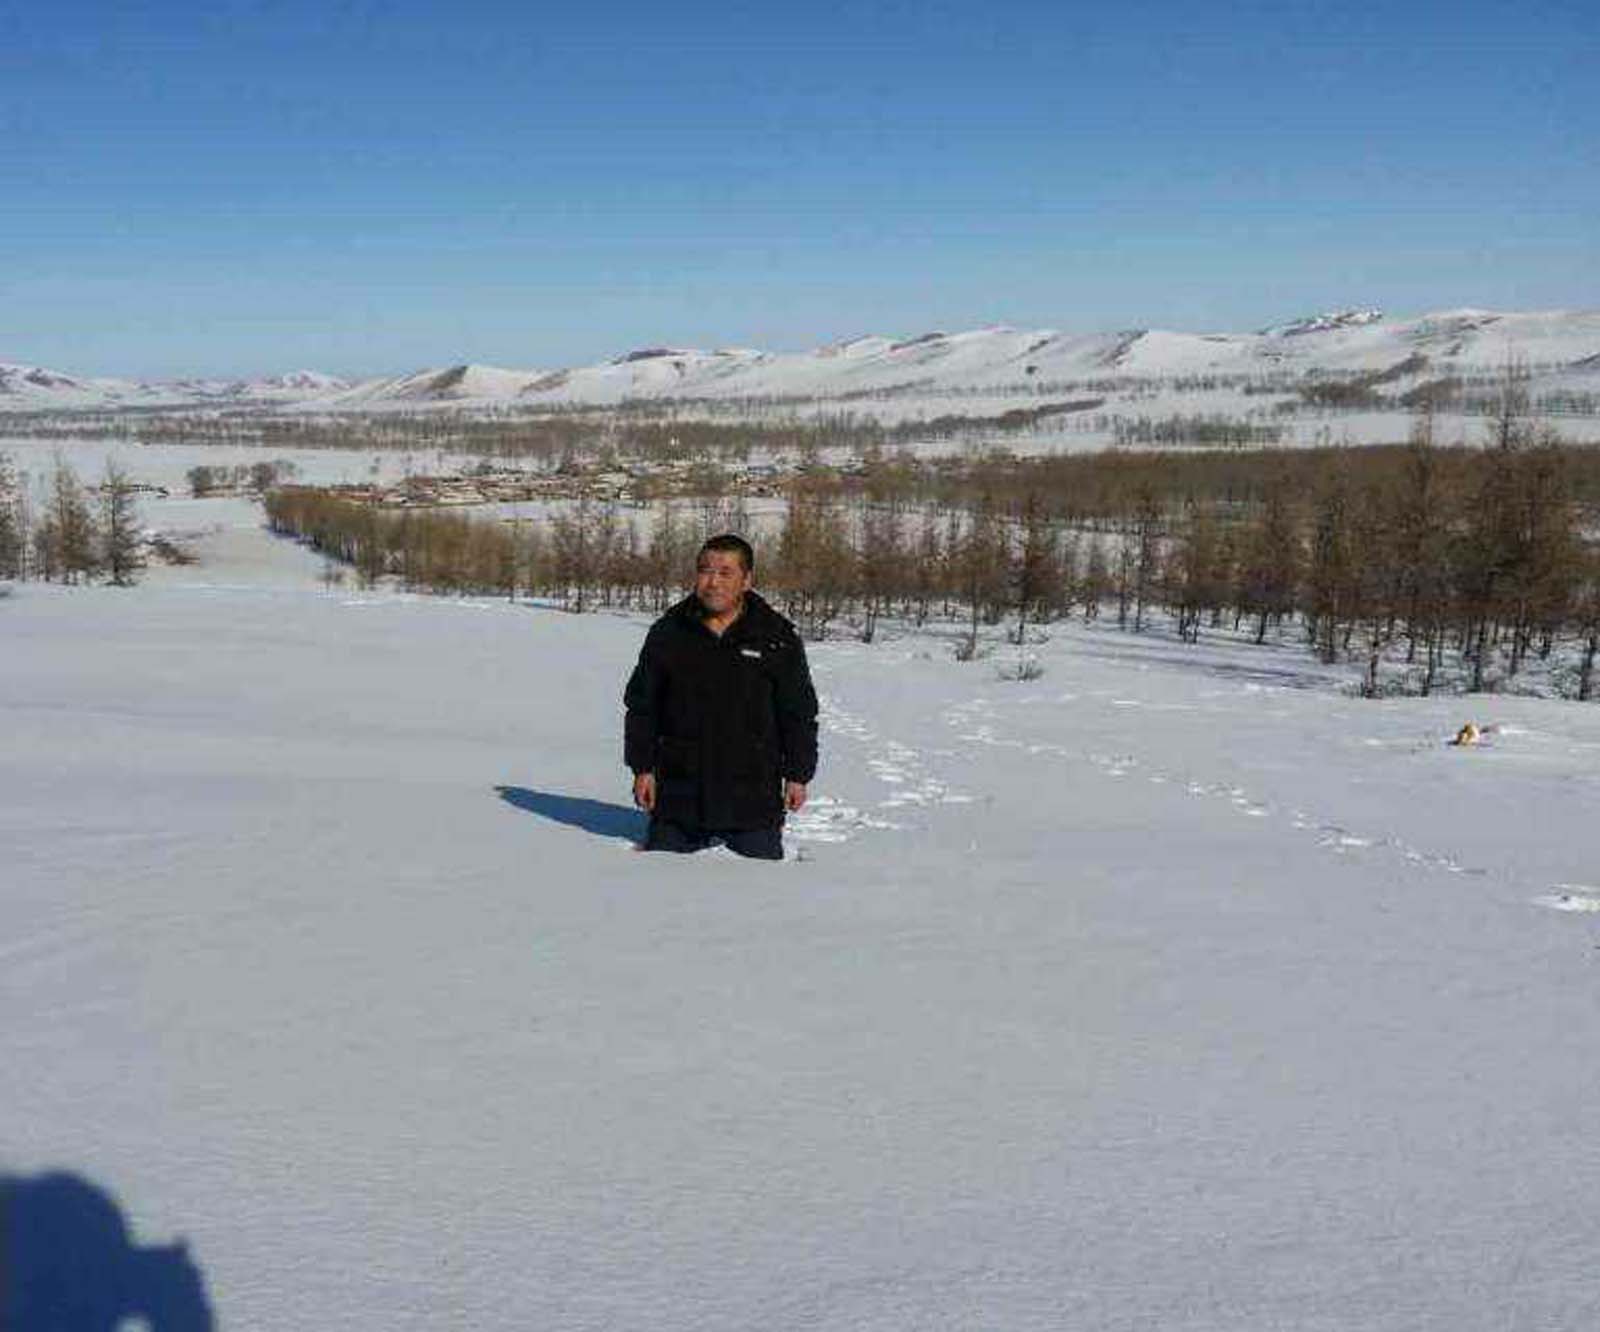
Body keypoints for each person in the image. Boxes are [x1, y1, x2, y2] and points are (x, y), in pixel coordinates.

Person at [624, 533, 818, 859]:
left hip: (752, 796)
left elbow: (797, 712)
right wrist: (642, 768)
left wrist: (798, 775)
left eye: (726, 573)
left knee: (759, 879)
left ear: (746, 580)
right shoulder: (670, 632)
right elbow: (642, 706)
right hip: (681, 794)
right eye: (705, 571)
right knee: (662, 873)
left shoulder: (774, 635)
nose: (713, 582)